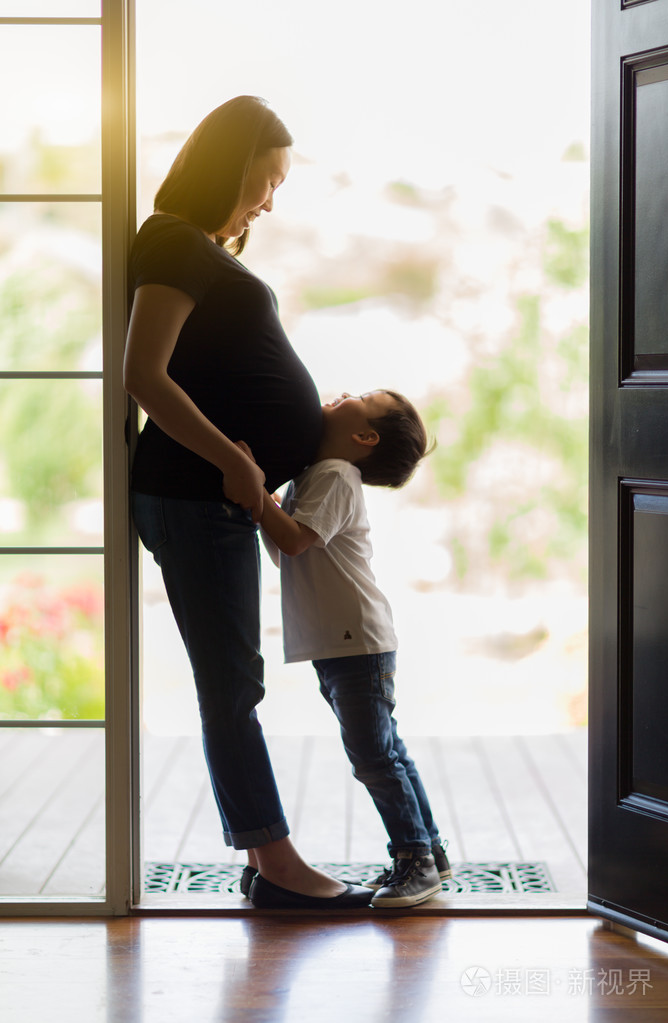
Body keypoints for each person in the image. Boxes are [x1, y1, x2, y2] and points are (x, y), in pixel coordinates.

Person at [124, 96, 372, 910]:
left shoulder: (196, 248)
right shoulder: (170, 241)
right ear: (226, 165)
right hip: (196, 495)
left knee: (236, 677)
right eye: (264, 181)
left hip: (218, 499)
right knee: (230, 682)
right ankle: (275, 863)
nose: (268, 201)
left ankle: (267, 858)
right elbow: (144, 376)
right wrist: (234, 457)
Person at [242, 389, 452, 908]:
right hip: (347, 641)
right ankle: (431, 853)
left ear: (365, 437)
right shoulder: (321, 473)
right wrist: (265, 503)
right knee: (386, 751)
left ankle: (415, 862)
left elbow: (291, 541)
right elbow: (286, 543)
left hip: (355, 641)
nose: (341, 394)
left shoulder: (335, 473)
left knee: (373, 757)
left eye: (360, 398)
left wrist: (253, 495)